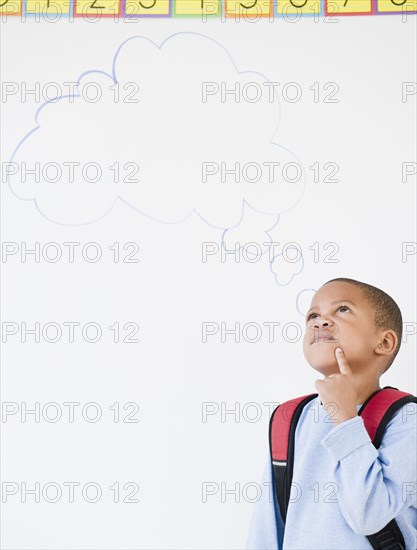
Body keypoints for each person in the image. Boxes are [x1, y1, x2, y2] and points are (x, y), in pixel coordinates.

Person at [246, 277, 417, 550]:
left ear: (384, 341)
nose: (320, 321)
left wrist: (345, 419)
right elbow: (267, 529)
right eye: (313, 315)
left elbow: (369, 516)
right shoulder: (289, 419)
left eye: (343, 310)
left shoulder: (407, 419)